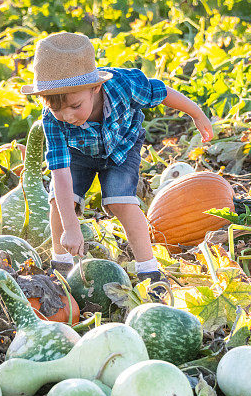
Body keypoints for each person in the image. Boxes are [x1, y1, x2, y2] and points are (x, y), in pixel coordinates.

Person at [20, 32, 213, 288]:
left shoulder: (124, 85)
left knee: (121, 201)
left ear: (95, 87)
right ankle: (61, 267)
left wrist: (196, 114)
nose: (66, 116)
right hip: (77, 154)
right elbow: (60, 173)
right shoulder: (52, 119)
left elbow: (162, 91)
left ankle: (149, 270)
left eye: (75, 106)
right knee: (59, 200)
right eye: (57, 109)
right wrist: (72, 226)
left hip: (122, 148)